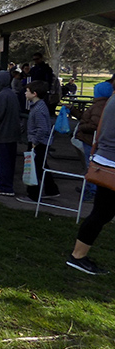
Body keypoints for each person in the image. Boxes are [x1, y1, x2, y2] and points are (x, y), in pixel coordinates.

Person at [67, 92, 115, 275]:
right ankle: (78, 256)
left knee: (103, 212)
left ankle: (78, 255)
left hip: (106, 162)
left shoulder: (112, 99)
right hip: (111, 164)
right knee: (102, 213)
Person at [18, 81, 60, 202]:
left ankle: (33, 195)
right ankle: (52, 190)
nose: (25, 93)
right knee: (41, 167)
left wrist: (35, 142)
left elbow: (42, 128)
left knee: (34, 168)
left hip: (38, 142)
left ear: (34, 93)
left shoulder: (39, 109)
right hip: (39, 141)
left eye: (27, 91)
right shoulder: (38, 106)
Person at [0, 70, 21, 196]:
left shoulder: (2, 96)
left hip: (3, 133)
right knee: (9, 162)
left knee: (2, 162)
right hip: (12, 133)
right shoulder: (11, 94)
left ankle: (5, 187)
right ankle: (6, 184)